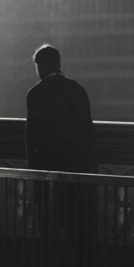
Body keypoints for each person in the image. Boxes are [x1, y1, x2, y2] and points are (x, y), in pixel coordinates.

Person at [25, 44, 95, 173]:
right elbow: (87, 129)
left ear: (40, 66)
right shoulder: (77, 89)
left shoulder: (35, 93)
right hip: (76, 161)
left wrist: (33, 165)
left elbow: (32, 135)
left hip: (47, 162)